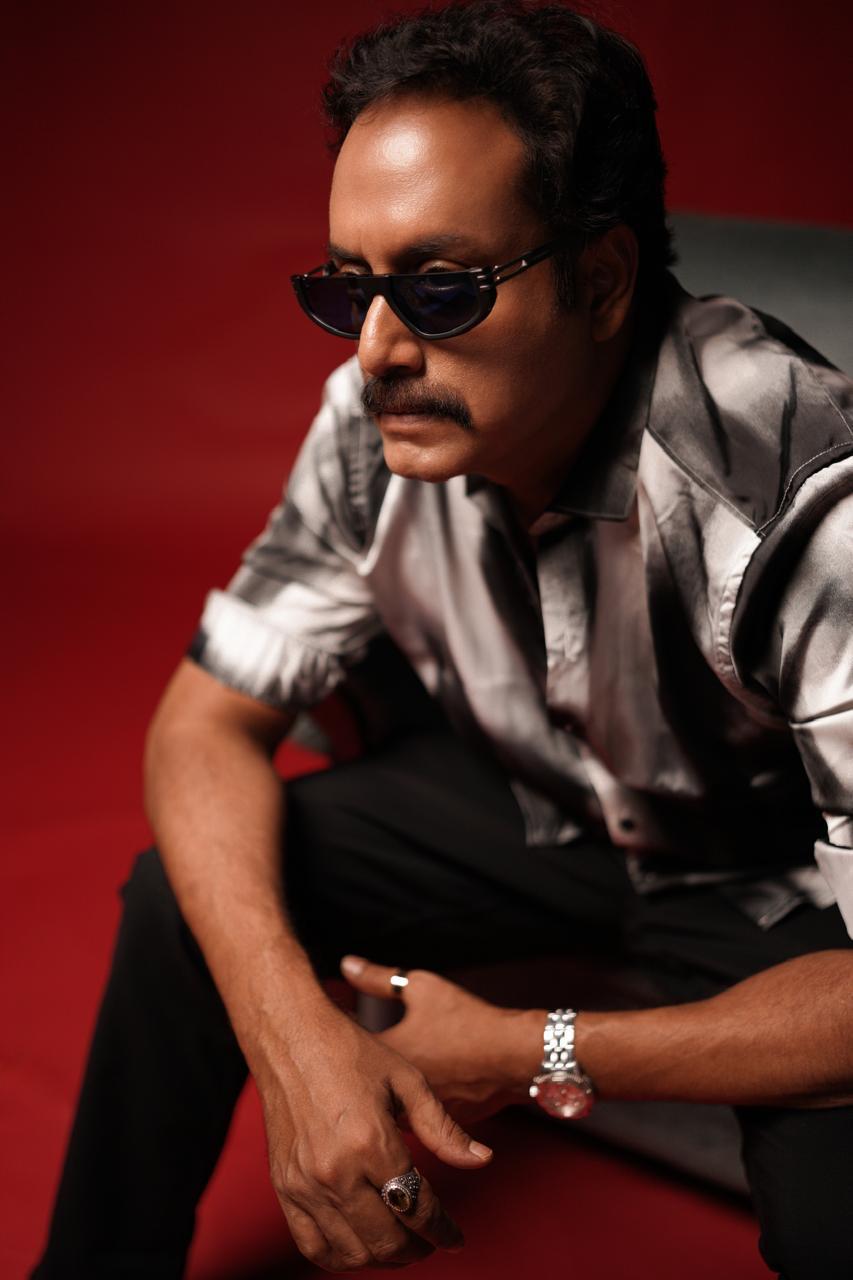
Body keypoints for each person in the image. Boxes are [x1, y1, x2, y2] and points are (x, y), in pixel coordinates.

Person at [33, 2, 853, 1277]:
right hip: (544, 802)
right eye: (344, 287)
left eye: (438, 289)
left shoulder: (792, 492)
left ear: (600, 281)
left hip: (773, 872)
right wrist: (294, 1036)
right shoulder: (372, 424)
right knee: (181, 896)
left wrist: (530, 1047)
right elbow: (204, 721)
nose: (376, 351)